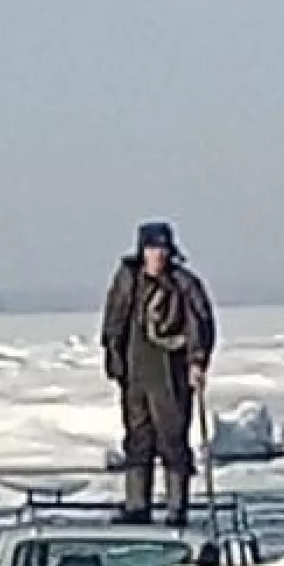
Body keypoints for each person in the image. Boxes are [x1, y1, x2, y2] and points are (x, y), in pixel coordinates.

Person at [99, 220, 216, 526]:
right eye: (152, 248)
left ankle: (177, 508)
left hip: (171, 376)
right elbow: (113, 321)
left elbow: (200, 326)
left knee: (172, 439)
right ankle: (137, 505)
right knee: (138, 438)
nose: (158, 255)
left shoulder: (185, 284)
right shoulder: (128, 282)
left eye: (162, 248)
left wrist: (197, 361)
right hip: (135, 374)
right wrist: (113, 358)